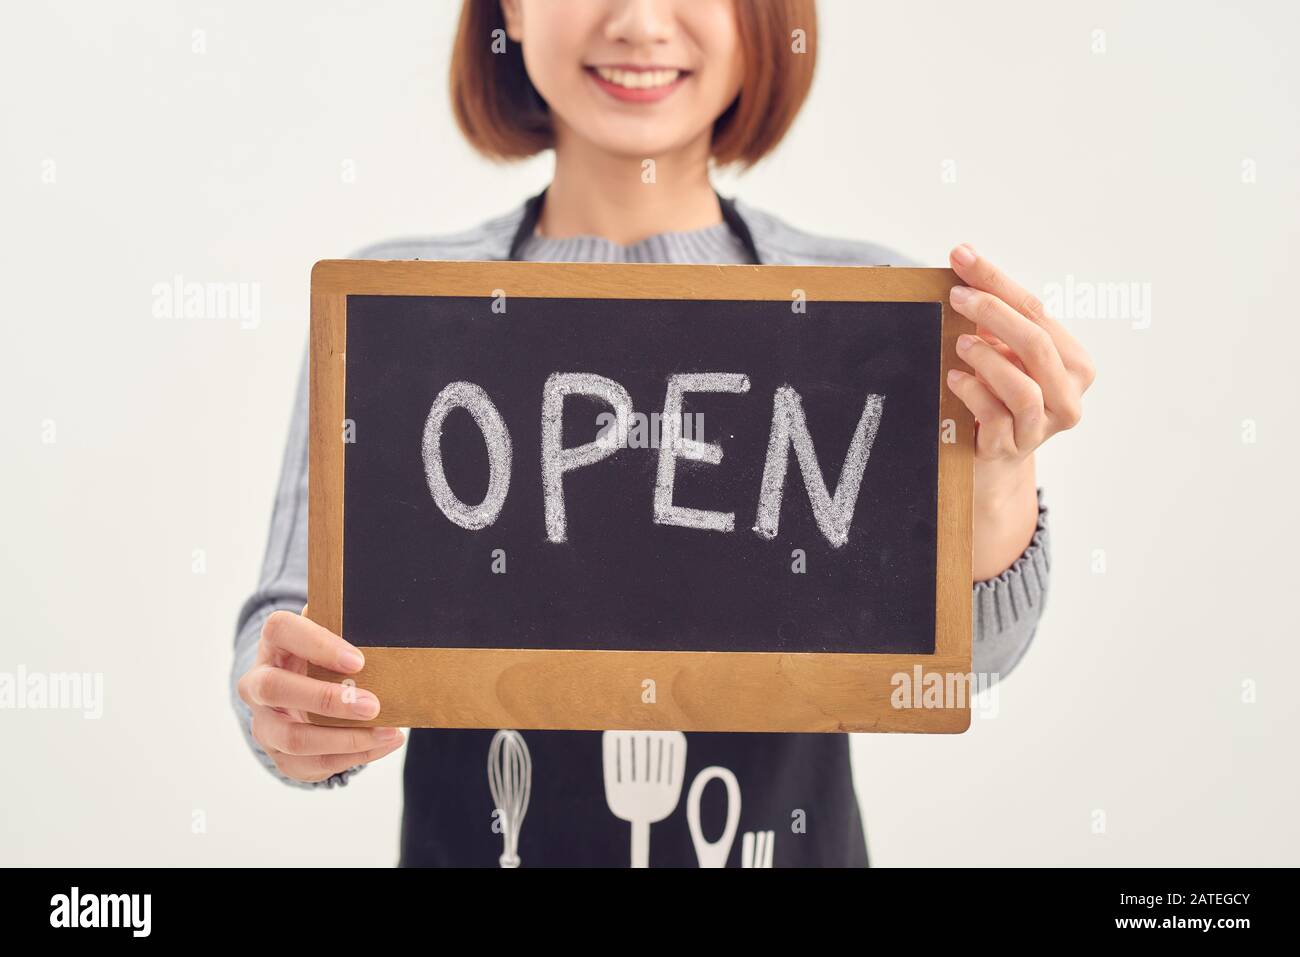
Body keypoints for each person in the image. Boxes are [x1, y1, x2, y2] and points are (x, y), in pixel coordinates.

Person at [233, 0, 1093, 867]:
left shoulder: (863, 312)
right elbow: (292, 622)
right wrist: (293, 707)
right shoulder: (396, 310)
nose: (640, 22)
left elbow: (964, 666)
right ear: (513, 14)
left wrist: (998, 476)